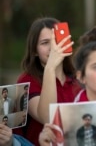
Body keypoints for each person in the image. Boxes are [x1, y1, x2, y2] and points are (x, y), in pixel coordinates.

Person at [14, 17, 81, 145]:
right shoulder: (26, 81)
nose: (53, 47)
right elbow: (47, 117)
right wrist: (50, 67)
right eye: (45, 43)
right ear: (34, 51)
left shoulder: (77, 79)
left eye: (56, 40)